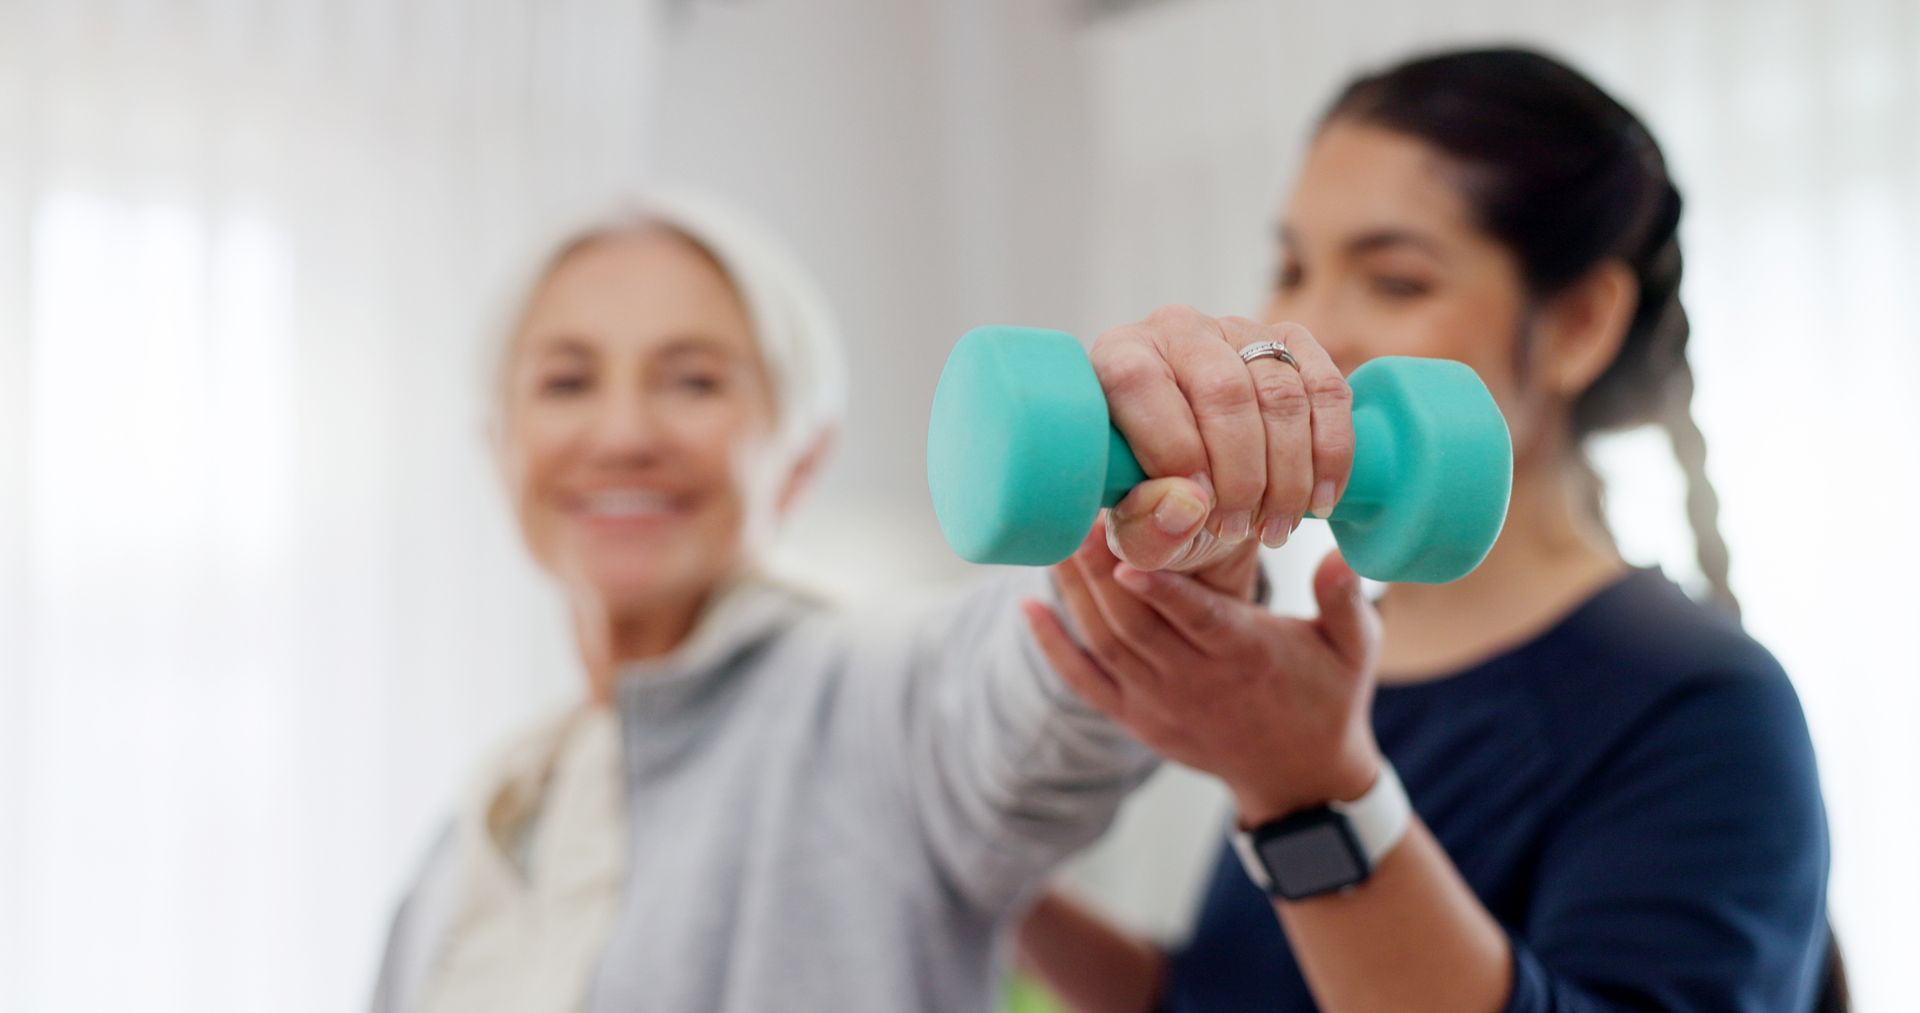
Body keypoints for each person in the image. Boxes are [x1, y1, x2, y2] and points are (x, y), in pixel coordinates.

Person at [367, 190, 1356, 1012]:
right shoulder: (476, 832)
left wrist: (1165, 541)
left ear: (802, 453)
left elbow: (1034, 684)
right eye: (567, 380)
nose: (623, 431)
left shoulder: (870, 695)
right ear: (500, 444)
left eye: (694, 380)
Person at [1015, 48, 1834, 1012]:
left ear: (1577, 324)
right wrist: (987, 881)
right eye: (1292, 267)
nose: (1309, 339)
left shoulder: (1705, 703)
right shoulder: (1319, 667)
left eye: (1395, 281)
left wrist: (1309, 794)